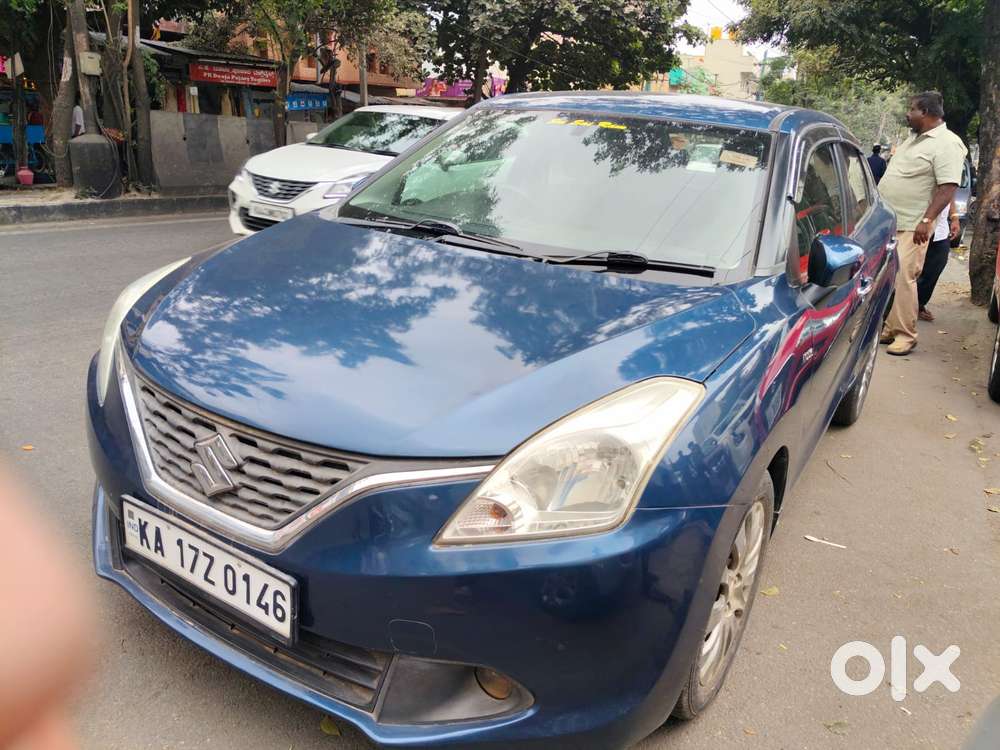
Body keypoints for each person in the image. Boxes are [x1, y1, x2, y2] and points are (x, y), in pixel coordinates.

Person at [877, 91, 967, 356]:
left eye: (912, 109)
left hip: (913, 223)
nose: (908, 114)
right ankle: (891, 328)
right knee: (891, 276)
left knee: (905, 276)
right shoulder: (914, 138)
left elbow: (948, 186)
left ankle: (906, 335)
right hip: (891, 219)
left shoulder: (947, 143)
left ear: (925, 113)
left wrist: (927, 220)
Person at [916, 200, 961, 321]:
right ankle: (898, 307)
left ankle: (918, 304)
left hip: (940, 231)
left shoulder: (948, 189)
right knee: (909, 270)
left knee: (936, 267)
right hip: (917, 227)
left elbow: (949, 196)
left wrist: (954, 217)